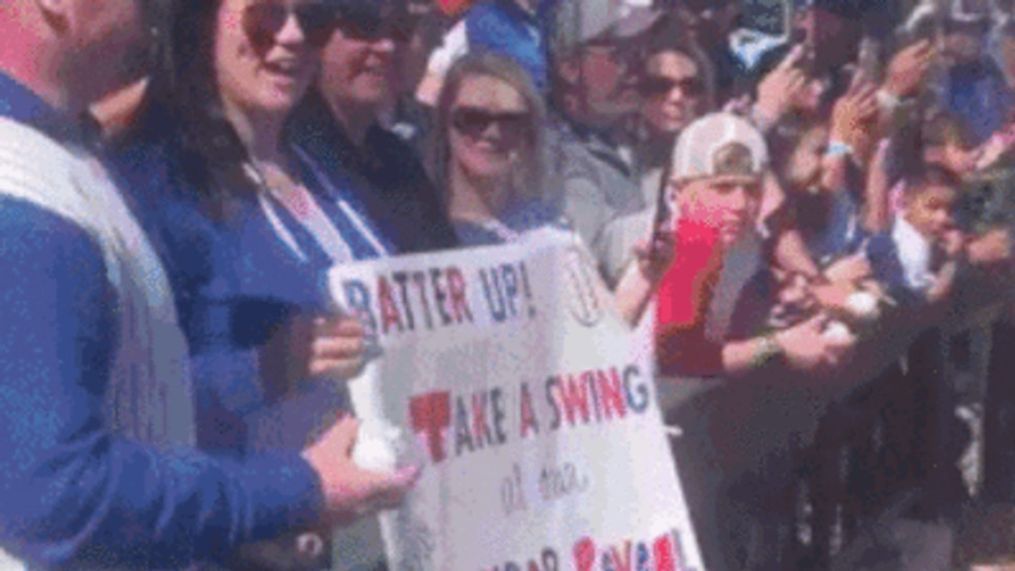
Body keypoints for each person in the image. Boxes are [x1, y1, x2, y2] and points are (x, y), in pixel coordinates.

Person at [0, 0, 415, 568]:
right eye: (265, 13)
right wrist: (290, 484)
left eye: (314, 16)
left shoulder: (328, 166)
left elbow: (143, 386)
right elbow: (52, 494)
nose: (292, 35)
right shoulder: (69, 187)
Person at [432, 52, 671, 326]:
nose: (492, 132)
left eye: (511, 121)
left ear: (529, 133)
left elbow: (599, 341)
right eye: (473, 118)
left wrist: (645, 275)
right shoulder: (413, 233)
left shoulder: (554, 236)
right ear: (444, 123)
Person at [655, 113, 857, 379]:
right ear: (678, 191)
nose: (740, 204)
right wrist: (777, 346)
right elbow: (676, 361)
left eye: (750, 189)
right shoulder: (671, 243)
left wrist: (802, 304)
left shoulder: (742, 242)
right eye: (722, 187)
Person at [289, 0, 459, 255]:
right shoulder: (282, 153)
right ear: (317, 36)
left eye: (401, 29)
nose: (387, 46)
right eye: (365, 25)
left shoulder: (402, 164)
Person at [545, 0, 663, 283]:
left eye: (642, 48)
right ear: (570, 66)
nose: (637, 65)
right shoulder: (549, 152)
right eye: (620, 53)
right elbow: (594, 256)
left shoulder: (631, 132)